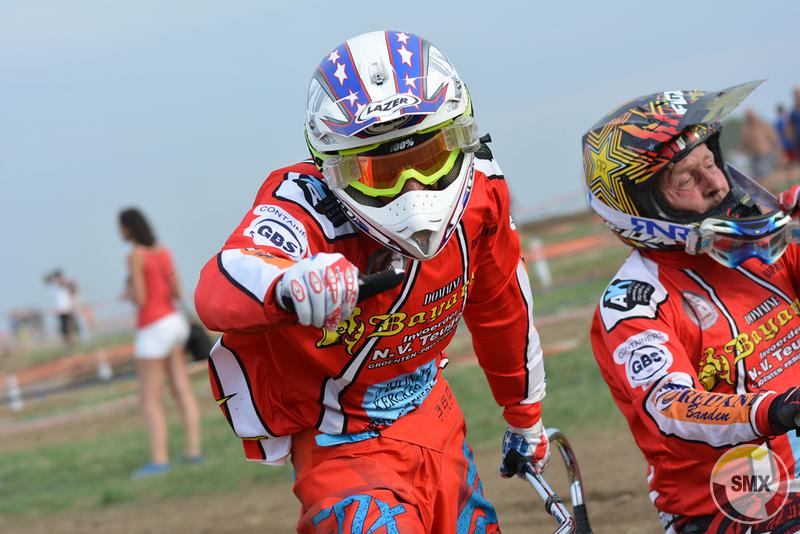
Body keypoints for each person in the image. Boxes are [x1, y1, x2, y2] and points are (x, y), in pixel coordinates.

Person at [195, 30, 548, 533]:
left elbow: (501, 303)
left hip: (437, 418)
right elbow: (220, 283)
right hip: (339, 445)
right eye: (381, 171)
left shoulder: (483, 191)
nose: (413, 189)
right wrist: (289, 282)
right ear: (334, 168)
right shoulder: (304, 204)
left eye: (428, 158)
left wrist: (524, 413)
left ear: (461, 134)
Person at [583, 81, 800, 533]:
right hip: (734, 504)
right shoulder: (633, 302)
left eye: (711, 163)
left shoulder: (766, 242)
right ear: (641, 204)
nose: (716, 184)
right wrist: (775, 410)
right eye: (686, 178)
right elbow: (672, 408)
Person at [119, 207, 202, 479]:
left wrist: (127, 293)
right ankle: (193, 451)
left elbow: (141, 297)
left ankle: (159, 460)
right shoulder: (163, 253)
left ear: (128, 228)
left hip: (152, 327)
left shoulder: (135, 256)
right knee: (181, 389)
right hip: (174, 322)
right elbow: (177, 291)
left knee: (149, 398)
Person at [739, 108, 780, 183]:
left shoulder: (762, 125)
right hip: (755, 157)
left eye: (751, 115)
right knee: (759, 177)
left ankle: (770, 187)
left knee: (765, 176)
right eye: (749, 116)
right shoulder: (747, 129)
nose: (751, 118)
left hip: (765, 154)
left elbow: (773, 138)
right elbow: (744, 143)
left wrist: (778, 151)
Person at [44, 269, 78, 351]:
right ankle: (68, 346)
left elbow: (73, 290)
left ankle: (72, 345)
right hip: (60, 312)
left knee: (70, 328)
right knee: (64, 330)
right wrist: (54, 279)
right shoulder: (53, 287)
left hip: (68, 310)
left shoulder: (66, 285)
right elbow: (46, 280)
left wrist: (68, 283)